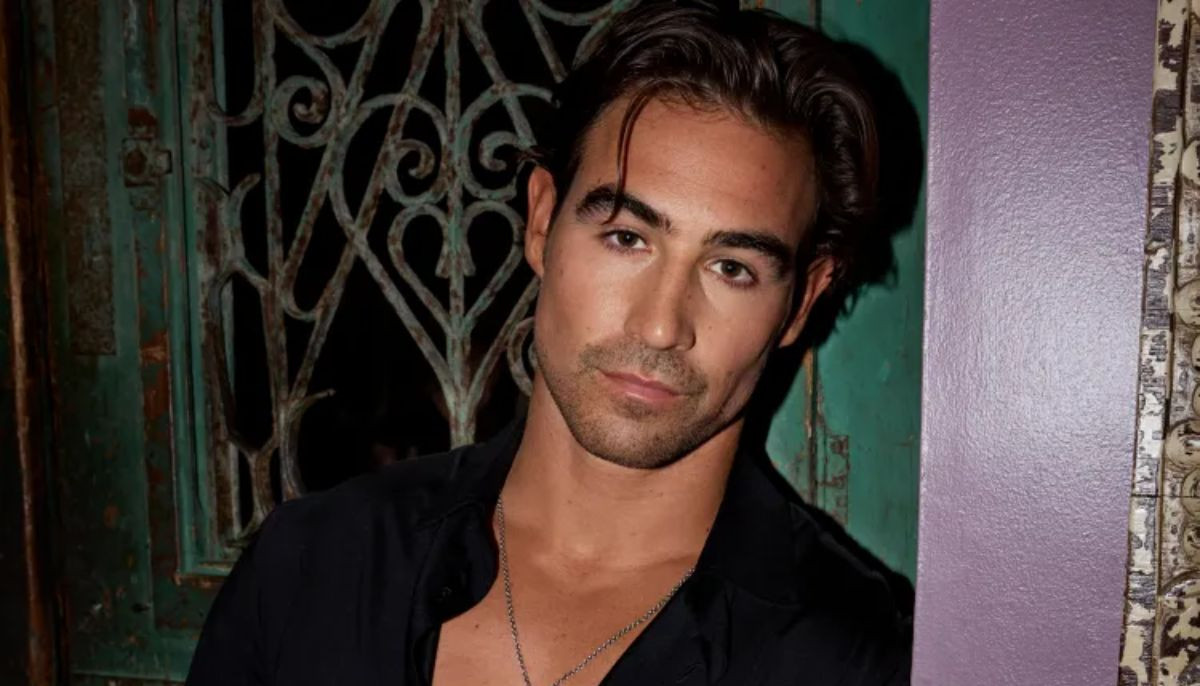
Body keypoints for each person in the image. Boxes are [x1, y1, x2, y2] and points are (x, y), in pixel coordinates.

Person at [186, 1, 910, 684]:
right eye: (626, 237)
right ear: (541, 222)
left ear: (801, 301)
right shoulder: (315, 565)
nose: (661, 325)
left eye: (732, 268)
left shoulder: (856, 660)